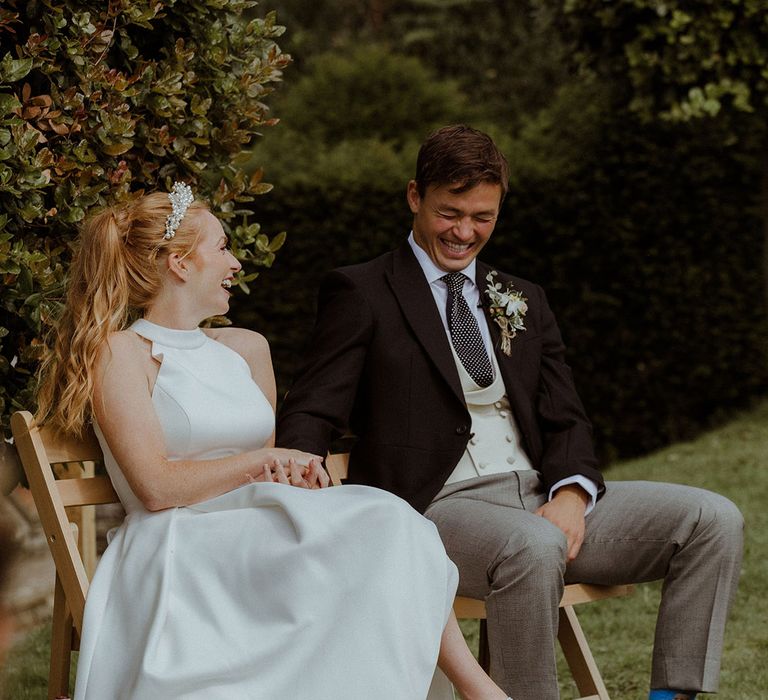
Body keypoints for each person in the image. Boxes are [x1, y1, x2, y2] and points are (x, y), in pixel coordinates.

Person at [276, 125, 745, 700]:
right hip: (435, 509)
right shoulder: (363, 291)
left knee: (710, 518)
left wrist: (571, 496)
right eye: (451, 213)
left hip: (540, 500)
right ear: (413, 197)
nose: (465, 232)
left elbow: (566, 417)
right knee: (533, 545)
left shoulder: (521, 296)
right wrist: (300, 466)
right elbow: (313, 405)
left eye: (483, 217)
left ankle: (672, 696)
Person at [34, 183, 511, 700]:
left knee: (394, 522)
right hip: (182, 538)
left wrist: (292, 474)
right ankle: (482, 693)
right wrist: (262, 460)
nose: (235, 263)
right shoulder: (122, 353)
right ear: (179, 263)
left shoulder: (245, 347)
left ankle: (473, 691)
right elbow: (154, 487)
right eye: (221, 248)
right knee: (385, 526)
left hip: (256, 523)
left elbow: (269, 469)